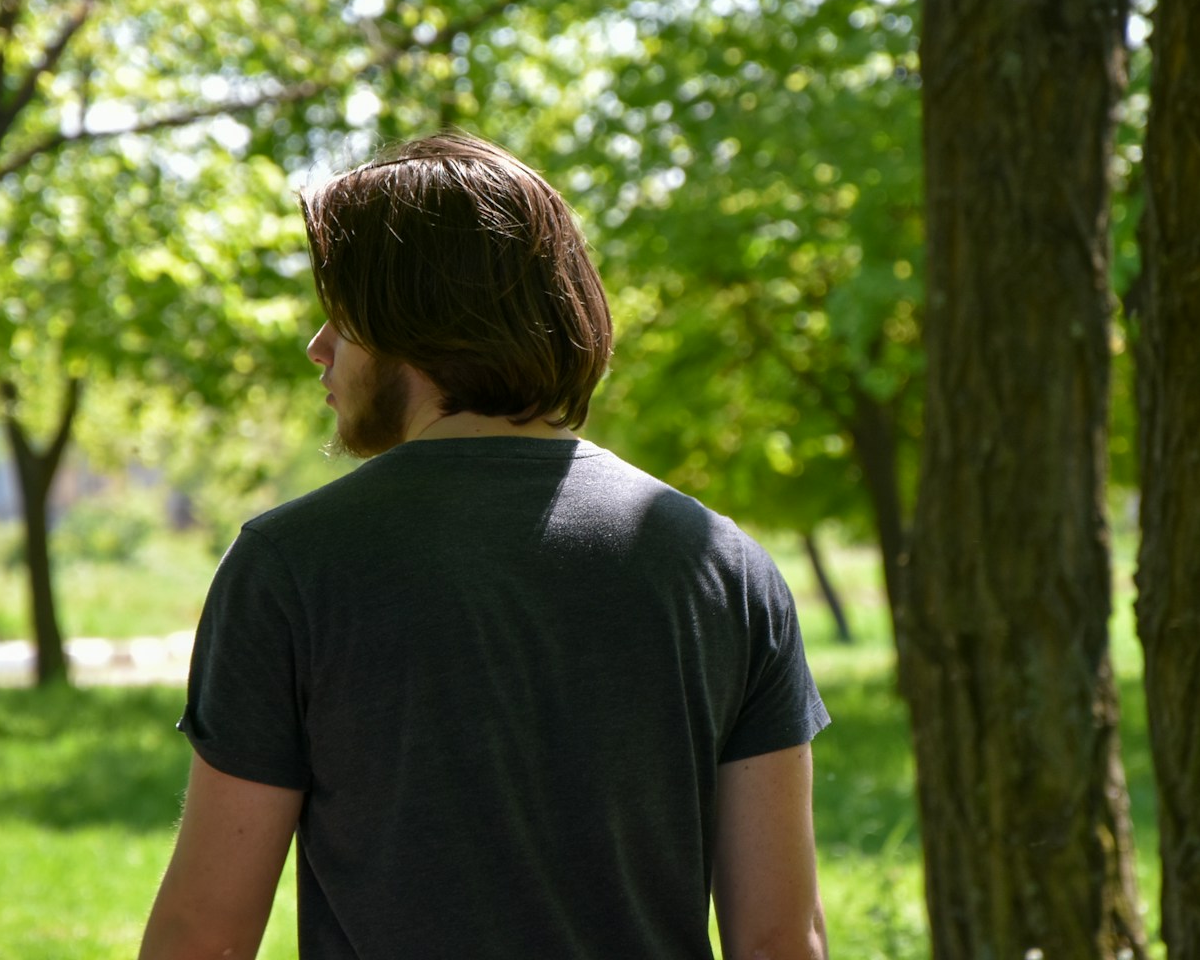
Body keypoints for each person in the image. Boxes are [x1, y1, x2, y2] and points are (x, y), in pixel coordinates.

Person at [139, 134, 830, 960]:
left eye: (343, 317)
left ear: (413, 323)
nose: (318, 349)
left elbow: (204, 937)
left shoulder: (290, 567)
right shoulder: (724, 568)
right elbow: (780, 941)